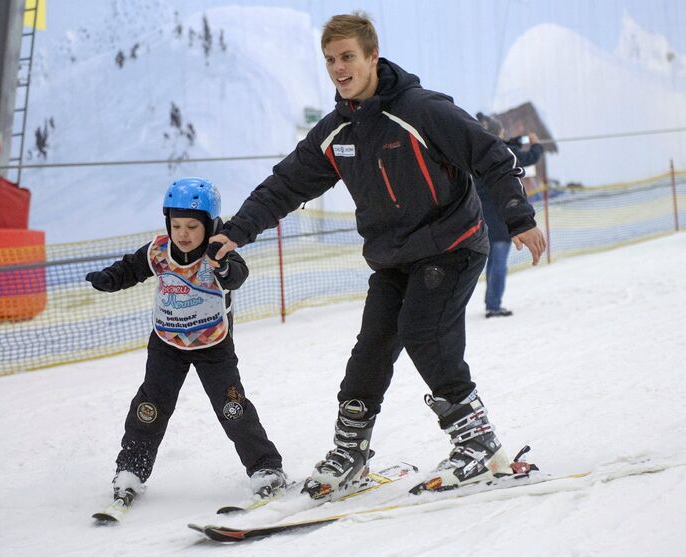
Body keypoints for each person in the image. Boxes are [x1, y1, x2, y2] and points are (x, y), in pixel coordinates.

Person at [209, 12, 546, 496]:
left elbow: (491, 154)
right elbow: (285, 184)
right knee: (370, 351)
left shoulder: (421, 110)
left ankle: (476, 444)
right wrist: (237, 231)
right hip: (393, 257)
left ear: (372, 56)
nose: (338, 68)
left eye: (347, 57)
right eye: (330, 60)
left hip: (450, 244)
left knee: (423, 333)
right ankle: (351, 454)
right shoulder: (336, 132)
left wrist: (519, 216)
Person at [85, 177, 286, 508]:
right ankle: (130, 471)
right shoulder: (159, 250)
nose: (183, 233)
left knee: (232, 408)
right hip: (167, 344)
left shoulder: (218, 252)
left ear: (208, 225)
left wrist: (222, 265)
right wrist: (110, 279)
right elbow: (132, 268)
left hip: (214, 347)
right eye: (176, 224)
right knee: (150, 408)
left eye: (192, 225)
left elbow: (238, 274)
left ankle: (266, 467)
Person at [475, 113, 545, 318]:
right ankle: (494, 305)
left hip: (485, 220)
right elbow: (528, 158)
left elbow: (505, 144)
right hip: (502, 220)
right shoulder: (502, 152)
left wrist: (518, 140)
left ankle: (491, 302)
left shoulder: (479, 152)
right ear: (497, 133)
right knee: (498, 265)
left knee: (492, 263)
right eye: (502, 131)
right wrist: (536, 144)